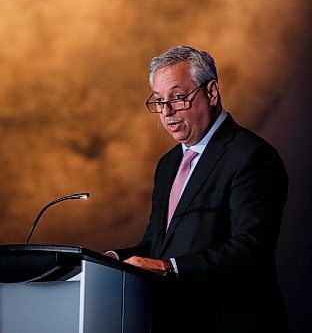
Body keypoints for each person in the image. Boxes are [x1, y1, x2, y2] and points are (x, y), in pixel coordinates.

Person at [105, 45, 289, 333]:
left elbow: (251, 249)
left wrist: (169, 268)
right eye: (158, 101)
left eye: (178, 98)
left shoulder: (252, 156)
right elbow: (156, 246)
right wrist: (111, 261)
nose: (166, 113)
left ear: (212, 92)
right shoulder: (168, 164)